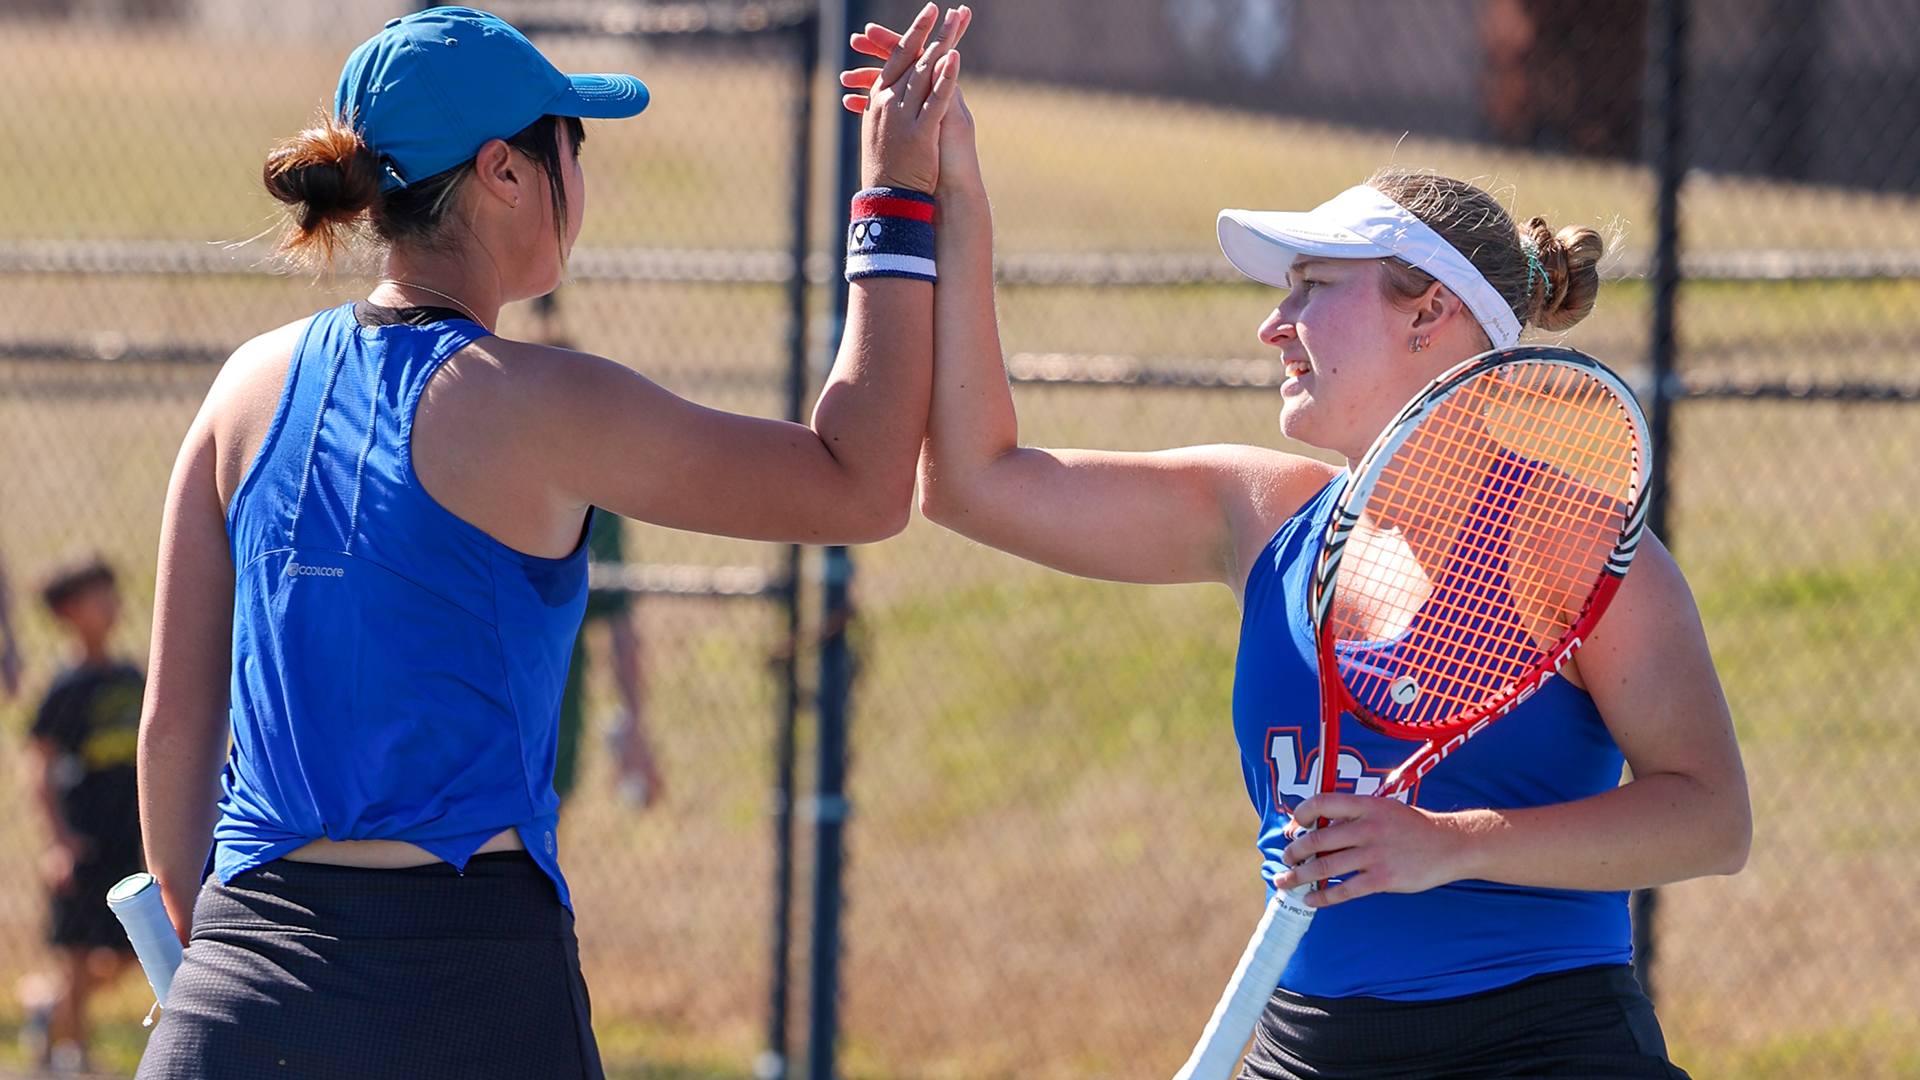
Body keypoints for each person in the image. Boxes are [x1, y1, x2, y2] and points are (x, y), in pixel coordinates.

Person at [844, 19, 1749, 1078]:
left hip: (1541, 1044)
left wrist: (1453, 846)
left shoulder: (1575, 541)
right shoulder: (1267, 514)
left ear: (1434, 312)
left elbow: (1710, 817)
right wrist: (952, 191)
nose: (1274, 324)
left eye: (1313, 285)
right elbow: (973, 484)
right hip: (1305, 1044)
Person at [136, 6, 965, 1077]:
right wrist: (895, 197)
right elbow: (861, 488)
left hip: (236, 992)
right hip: (470, 989)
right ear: (505, 172)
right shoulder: (540, 401)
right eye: (569, 137)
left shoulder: (242, 386)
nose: (580, 163)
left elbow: (173, 730)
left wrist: (213, 962)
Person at [25, 560, 143, 1074]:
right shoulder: (64, 689)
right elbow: (40, 769)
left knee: (132, 951)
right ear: (67, 613)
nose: (110, 605)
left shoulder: (131, 677)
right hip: (84, 841)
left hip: (128, 839)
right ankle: (74, 1056)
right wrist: (59, 841)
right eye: (96, 597)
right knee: (76, 952)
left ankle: (47, 1007)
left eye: (110, 594)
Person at [557, 508, 662, 808]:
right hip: (464, 707)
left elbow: (619, 620)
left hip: (549, 718)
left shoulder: (595, 497)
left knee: (541, 832)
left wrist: (634, 725)